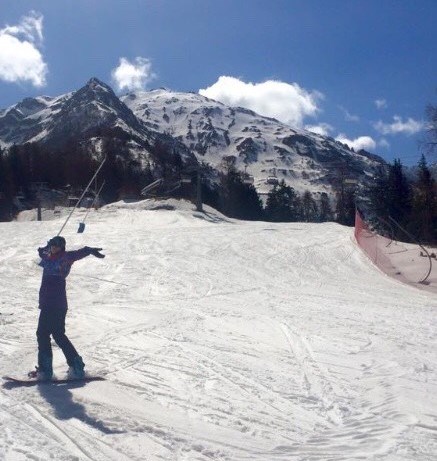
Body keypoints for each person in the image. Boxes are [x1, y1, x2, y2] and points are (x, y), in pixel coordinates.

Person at [32, 235, 105, 380]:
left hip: (56, 304)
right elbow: (42, 252)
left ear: (62, 247)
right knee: (49, 334)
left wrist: (89, 250)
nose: (54, 248)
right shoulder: (48, 256)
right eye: (52, 245)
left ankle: (52, 369)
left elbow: (79, 253)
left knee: (48, 334)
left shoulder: (65, 257)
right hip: (48, 303)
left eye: (57, 246)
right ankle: (67, 366)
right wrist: (43, 249)